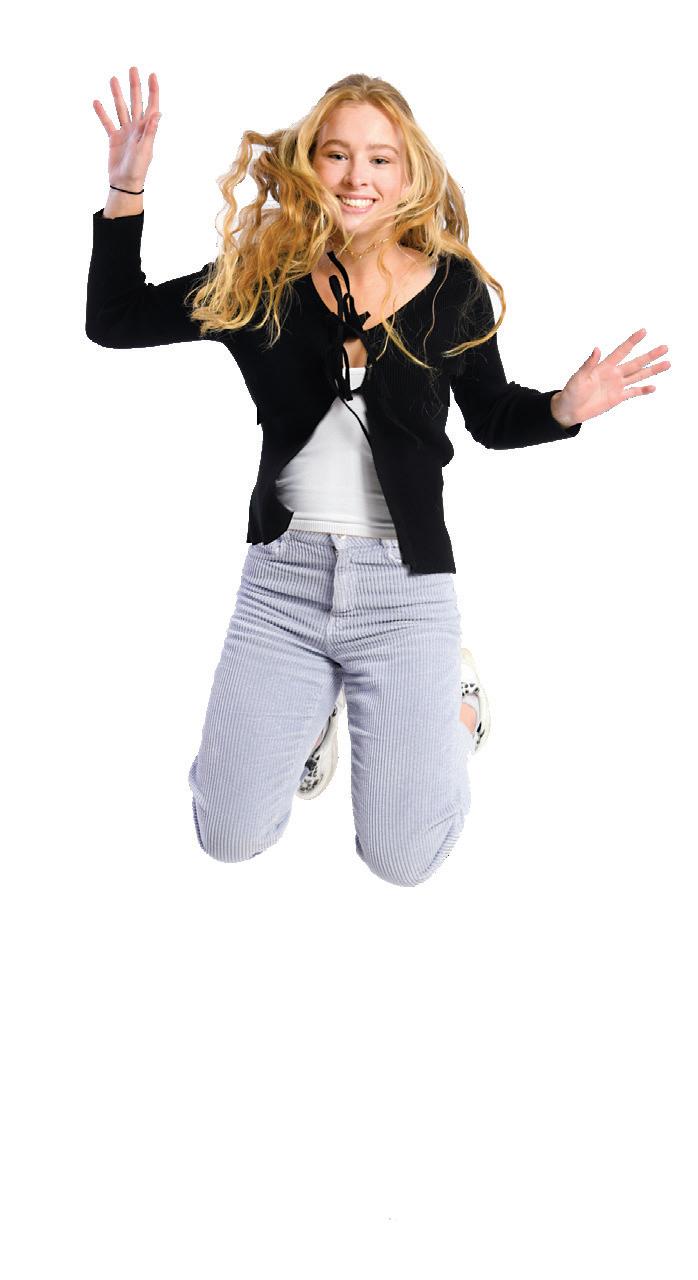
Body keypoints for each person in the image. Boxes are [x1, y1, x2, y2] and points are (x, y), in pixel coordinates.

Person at [88, 68, 670, 888]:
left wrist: (565, 408)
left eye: (379, 159)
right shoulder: (259, 279)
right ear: (309, 165)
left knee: (402, 861)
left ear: (407, 174)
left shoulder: (452, 290)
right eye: (336, 154)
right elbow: (114, 321)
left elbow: (493, 418)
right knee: (227, 836)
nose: (356, 176)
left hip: (405, 591)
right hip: (282, 586)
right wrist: (127, 188)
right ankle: (305, 726)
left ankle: (454, 707)